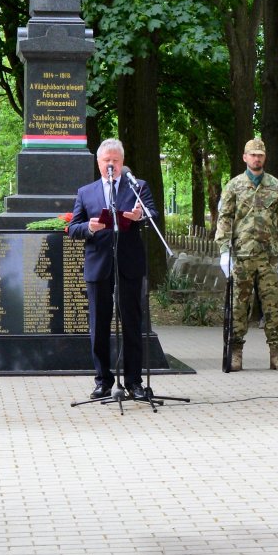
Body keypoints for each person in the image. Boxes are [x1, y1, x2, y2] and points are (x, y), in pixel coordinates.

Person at [69, 138, 157, 397]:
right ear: (98, 163)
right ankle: (103, 380)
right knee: (99, 323)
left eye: (115, 161)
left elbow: (154, 213)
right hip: (99, 263)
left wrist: (141, 216)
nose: (111, 165)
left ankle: (133, 382)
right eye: (106, 161)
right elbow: (73, 228)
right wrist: (89, 228)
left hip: (129, 262)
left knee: (132, 322)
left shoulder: (138, 187)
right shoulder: (86, 192)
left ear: (122, 162)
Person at [215, 137, 278, 371]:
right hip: (241, 256)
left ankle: (276, 352)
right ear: (245, 157)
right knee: (238, 306)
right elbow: (225, 220)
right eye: (253, 154)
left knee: (274, 306)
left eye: (260, 155)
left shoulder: (277, 186)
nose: (257, 158)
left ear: (265, 158)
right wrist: (224, 251)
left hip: (269, 257)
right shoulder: (233, 186)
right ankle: (236, 352)